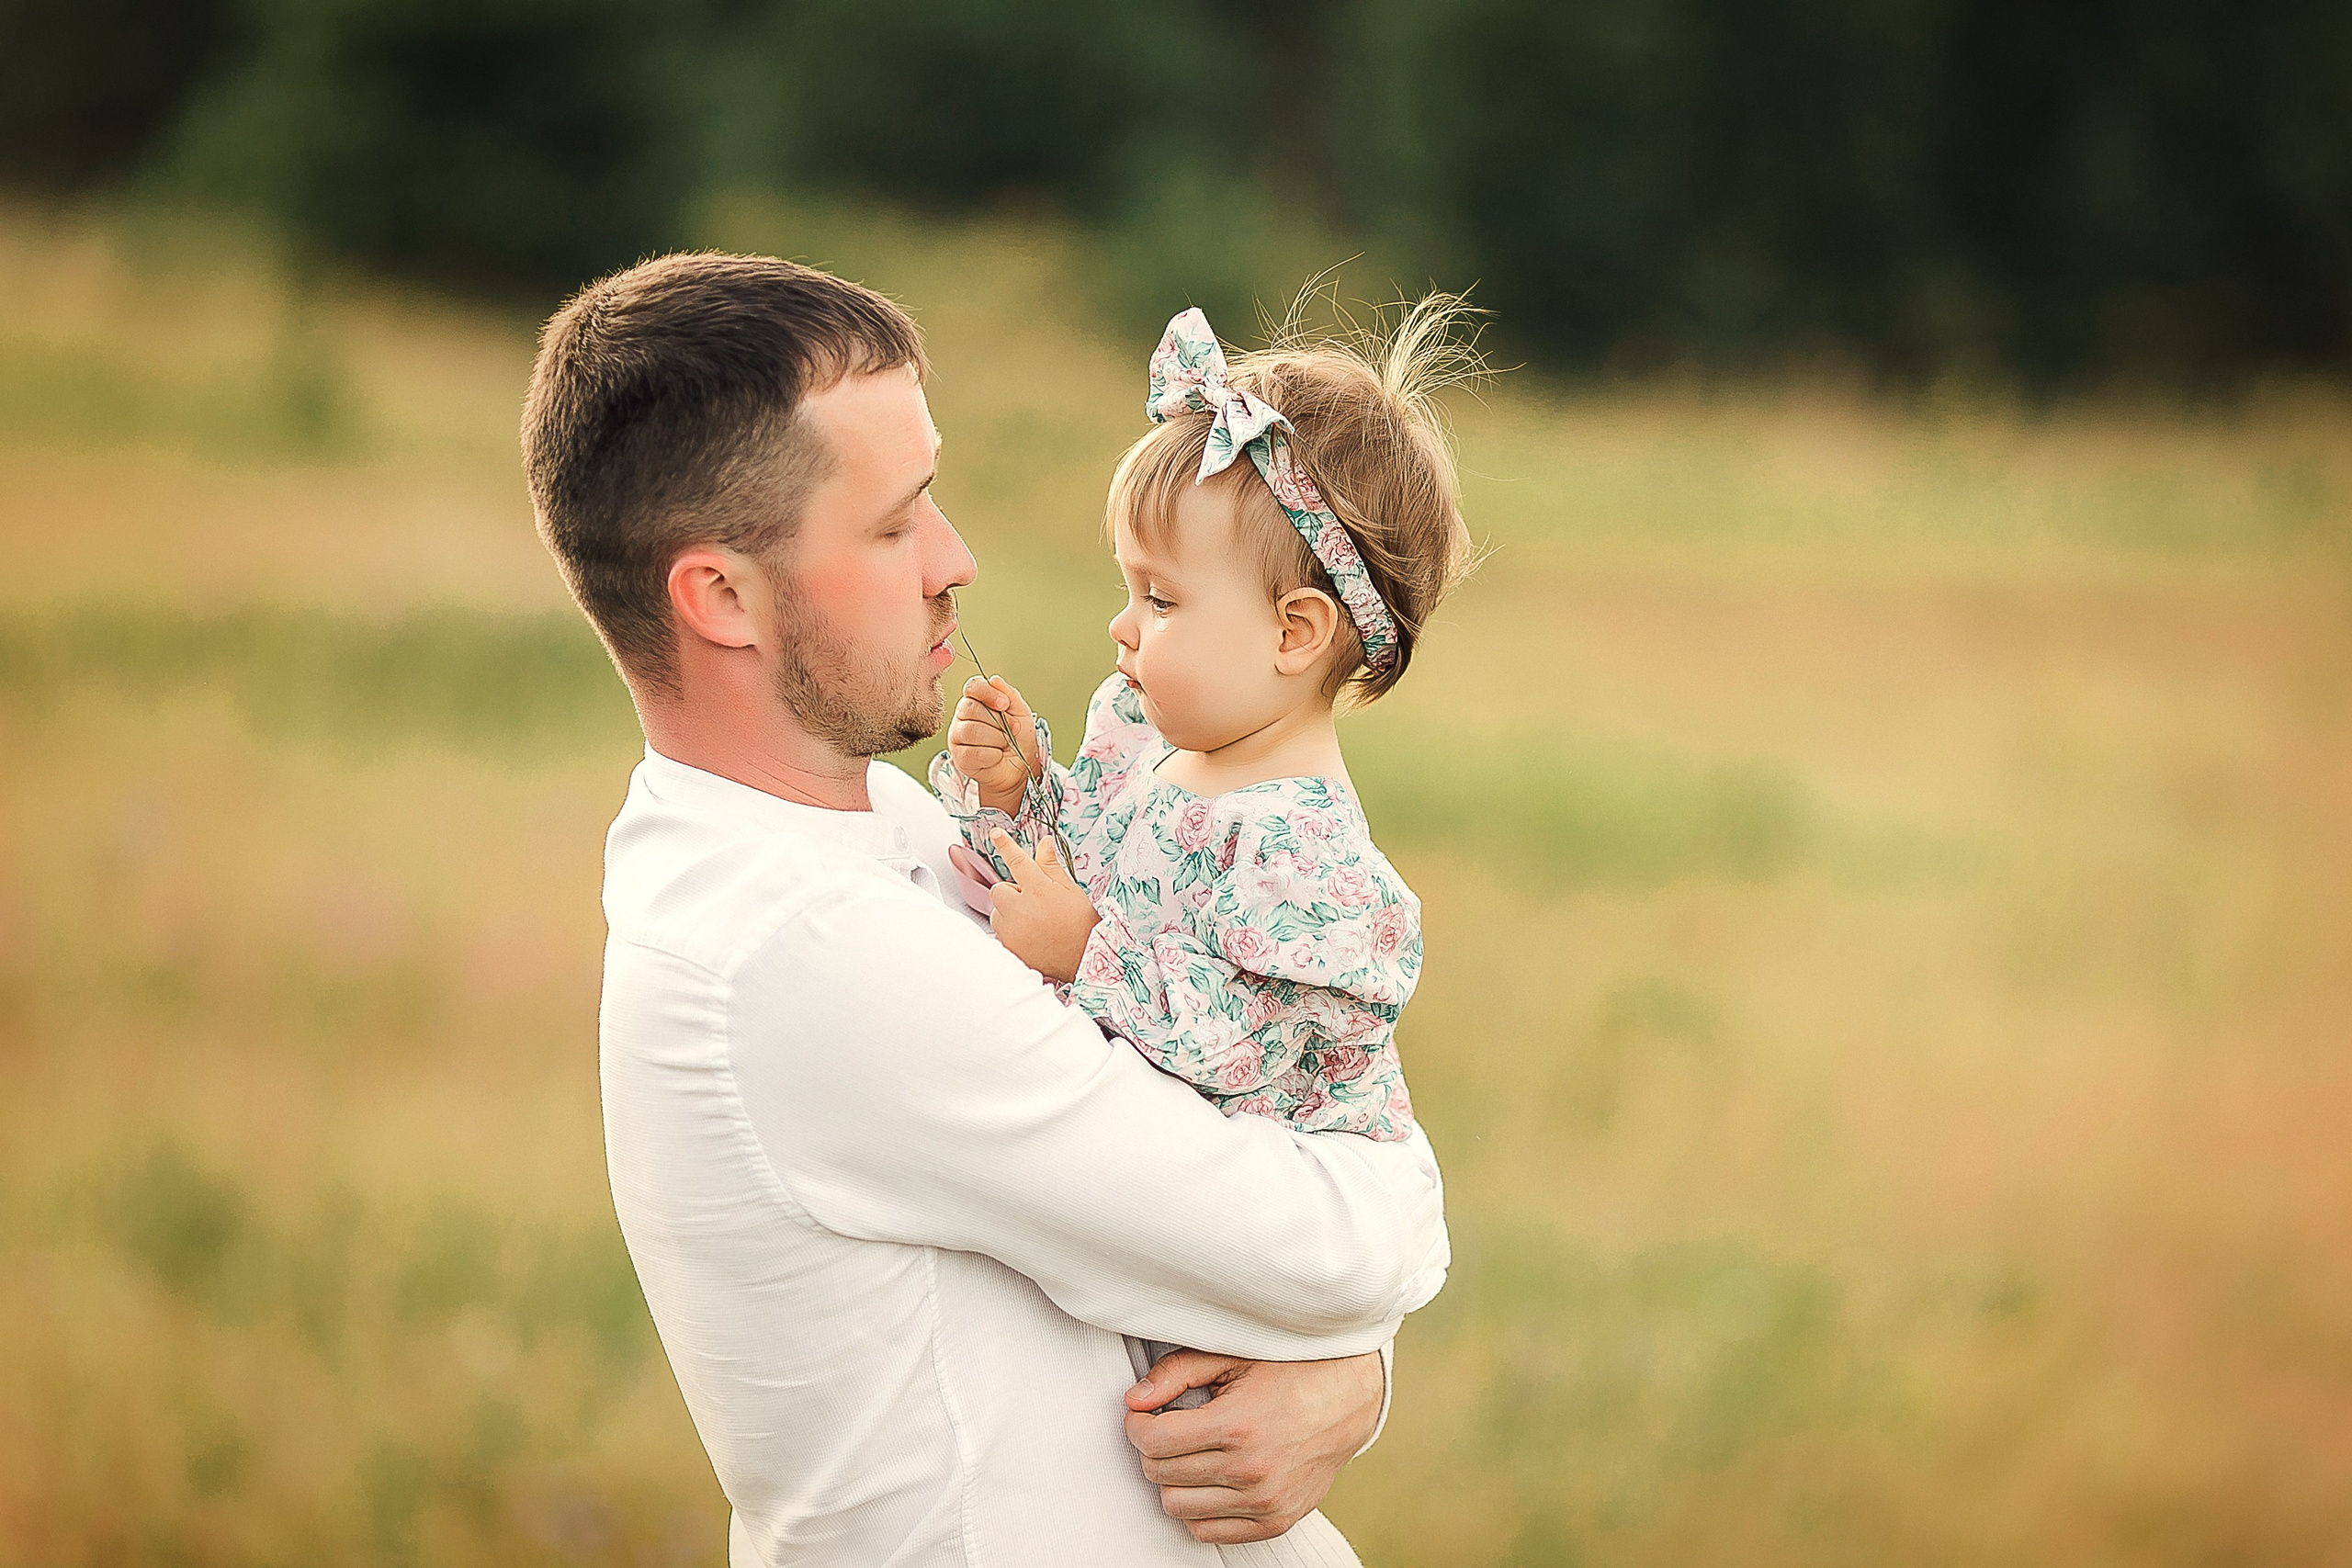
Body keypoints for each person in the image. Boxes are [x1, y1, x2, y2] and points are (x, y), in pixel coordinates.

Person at [519, 252, 1451, 1565]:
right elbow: (1317, 1249)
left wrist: (1339, 1365)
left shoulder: (875, 832)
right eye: (896, 522)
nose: (957, 557)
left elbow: (1216, 1186)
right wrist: (1355, 1347)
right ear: (719, 593)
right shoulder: (812, 955)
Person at [931, 303, 1476, 1437]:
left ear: (1294, 632)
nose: (1123, 629)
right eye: (1131, 588)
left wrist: (1084, 954)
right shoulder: (1156, 744)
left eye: (1163, 599)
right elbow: (1094, 869)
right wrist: (1023, 790)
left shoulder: (1301, 856)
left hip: (1267, 1245)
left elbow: (1244, 1052)